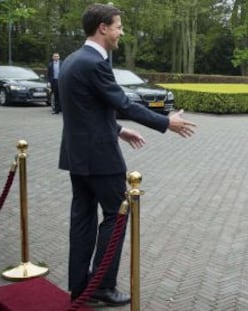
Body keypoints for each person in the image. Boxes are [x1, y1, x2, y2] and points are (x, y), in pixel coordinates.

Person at [58, 3, 196, 306]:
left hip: (77, 156)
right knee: (116, 215)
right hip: (99, 158)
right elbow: (121, 102)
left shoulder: (72, 60)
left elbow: (89, 109)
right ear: (103, 28)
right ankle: (102, 286)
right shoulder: (94, 63)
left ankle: (80, 287)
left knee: (82, 219)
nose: (122, 32)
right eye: (119, 26)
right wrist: (166, 122)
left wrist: (119, 131)